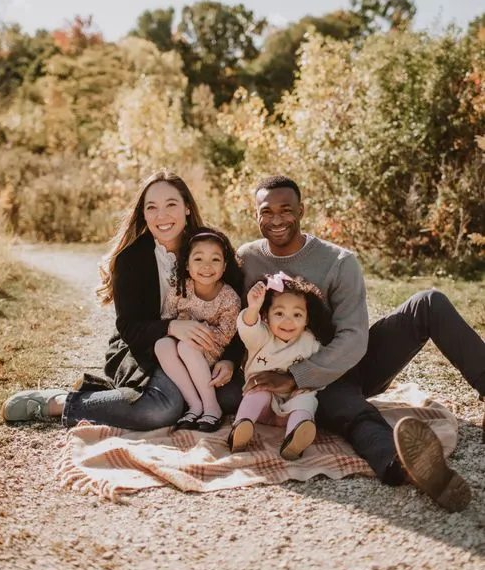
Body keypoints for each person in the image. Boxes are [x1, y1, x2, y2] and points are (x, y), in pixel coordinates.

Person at [237, 174, 485, 512]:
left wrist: (299, 376)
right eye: (266, 211)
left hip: (339, 365)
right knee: (354, 412)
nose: (276, 219)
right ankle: (403, 465)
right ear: (255, 214)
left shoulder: (338, 261)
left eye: (286, 210)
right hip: (278, 374)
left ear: (301, 211)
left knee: (428, 303)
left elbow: (354, 338)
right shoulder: (247, 259)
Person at [1, 170, 244, 429]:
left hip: (207, 347)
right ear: (144, 214)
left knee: (233, 397)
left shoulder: (210, 246)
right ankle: (63, 402)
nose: (162, 215)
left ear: (186, 207)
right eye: (152, 207)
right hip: (147, 346)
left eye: (171, 204)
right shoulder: (131, 259)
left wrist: (230, 358)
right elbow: (129, 328)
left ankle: (168, 398)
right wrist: (172, 327)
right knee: (161, 410)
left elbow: (236, 311)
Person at [229, 272, 333, 460]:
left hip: (292, 404)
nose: (288, 321)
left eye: (297, 314)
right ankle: (241, 428)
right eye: (279, 313)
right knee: (258, 392)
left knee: (307, 400)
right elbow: (248, 328)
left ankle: (294, 439)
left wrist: (305, 386)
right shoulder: (262, 336)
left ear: (307, 319)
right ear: (266, 316)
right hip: (263, 407)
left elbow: (322, 369)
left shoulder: (310, 341)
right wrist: (253, 307)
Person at [155, 227, 242, 432]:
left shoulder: (229, 297)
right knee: (162, 344)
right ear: (187, 264)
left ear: (224, 266)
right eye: (198, 259)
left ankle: (212, 407)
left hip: (212, 349)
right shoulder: (180, 289)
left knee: (187, 346)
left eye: (215, 260)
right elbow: (167, 319)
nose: (206, 266)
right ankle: (195, 405)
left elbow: (226, 336)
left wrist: (197, 332)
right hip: (181, 346)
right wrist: (182, 328)